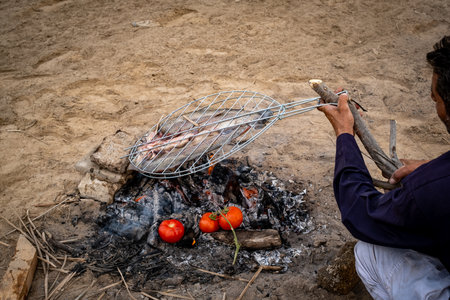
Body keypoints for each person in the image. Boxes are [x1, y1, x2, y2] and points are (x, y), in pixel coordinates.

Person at [318, 36, 450, 299]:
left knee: (370, 252)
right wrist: (433, 168)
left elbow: (361, 214)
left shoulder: (437, 187)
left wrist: (345, 134)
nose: (436, 107)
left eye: (435, 99)